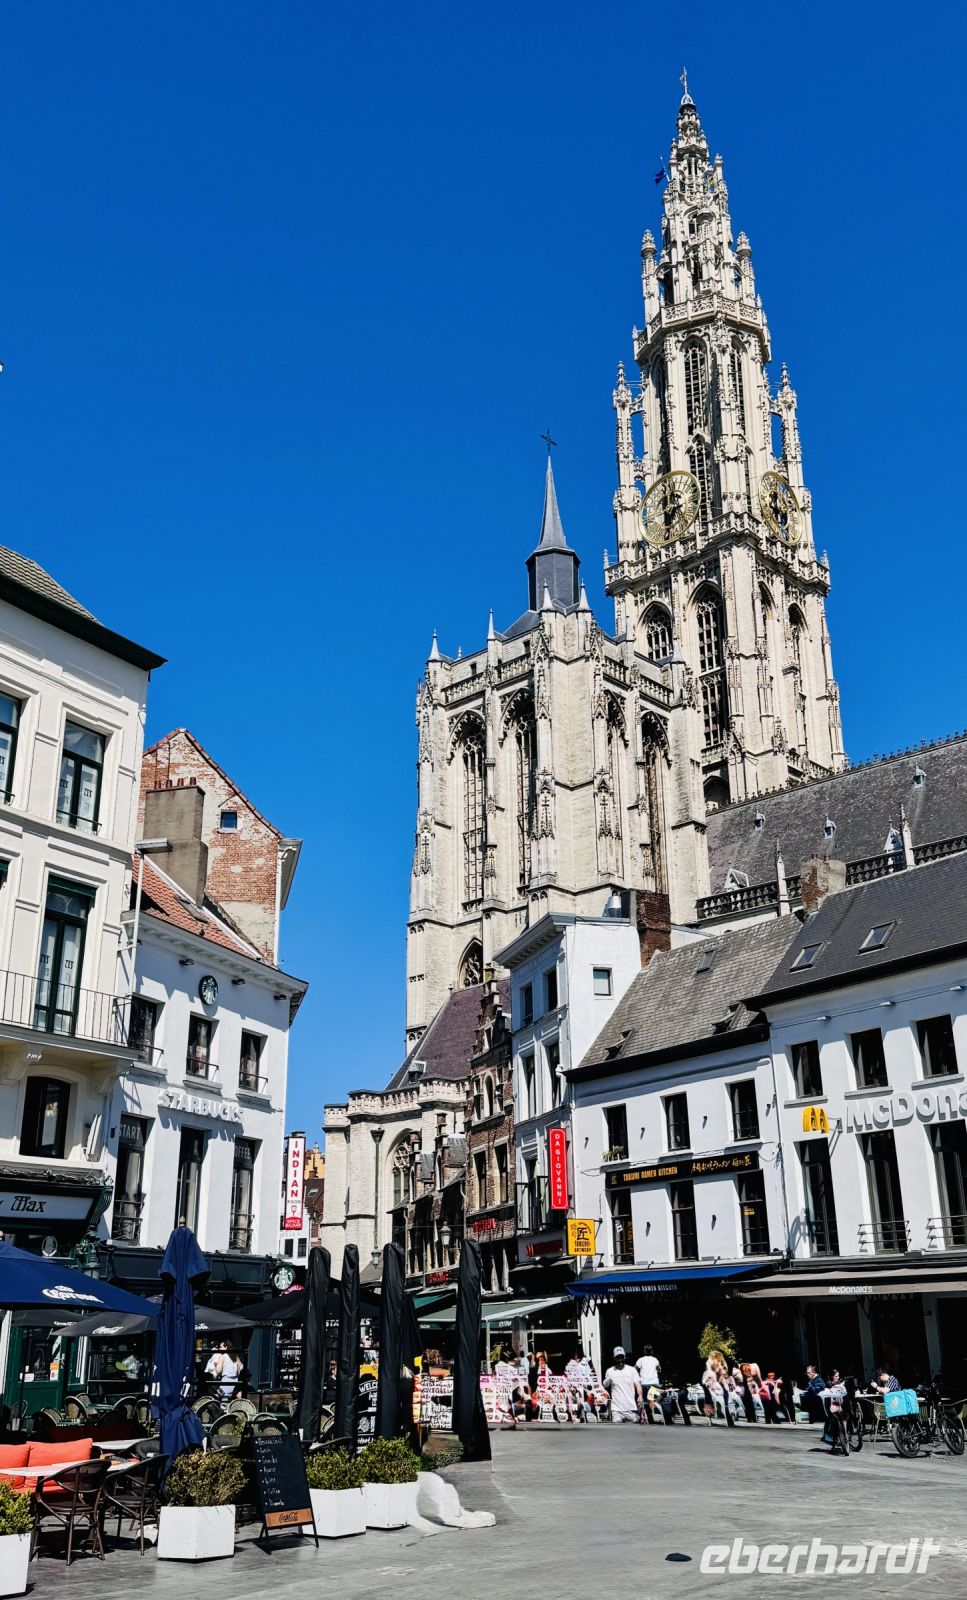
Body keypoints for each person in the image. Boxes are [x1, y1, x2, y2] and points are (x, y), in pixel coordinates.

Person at [603, 1347, 642, 1423]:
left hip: (631, 1408)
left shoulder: (632, 1370)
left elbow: (638, 1384)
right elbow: (605, 1385)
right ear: (614, 1358)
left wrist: (640, 1396)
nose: (620, 1359)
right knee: (617, 1430)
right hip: (616, 1410)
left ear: (625, 1357)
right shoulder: (610, 1371)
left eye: (622, 1357)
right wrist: (608, 1379)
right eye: (618, 1357)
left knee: (633, 1429)